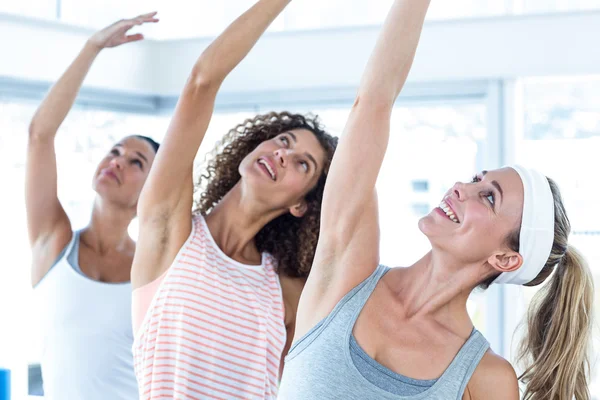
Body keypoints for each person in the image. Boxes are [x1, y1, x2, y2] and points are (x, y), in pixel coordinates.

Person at [278, 1, 594, 399]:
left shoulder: (486, 379)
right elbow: (373, 101)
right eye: (478, 178)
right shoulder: (346, 270)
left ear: (505, 258)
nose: (462, 187)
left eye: (489, 197)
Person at [130, 1, 337, 398]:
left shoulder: (287, 290)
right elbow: (201, 81)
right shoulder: (170, 231)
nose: (282, 153)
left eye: (302, 164)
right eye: (283, 140)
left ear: (301, 204)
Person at [26, 13, 159, 400]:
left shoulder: (151, 269)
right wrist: (92, 47)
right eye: (115, 150)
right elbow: (39, 135)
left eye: (137, 162)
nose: (117, 160)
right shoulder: (54, 243)